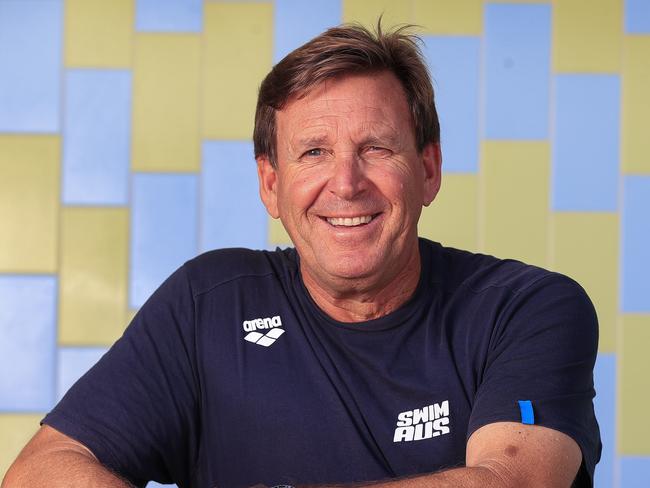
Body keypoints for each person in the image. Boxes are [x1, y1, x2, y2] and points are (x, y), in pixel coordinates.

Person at [3, 23, 600, 488]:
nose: (346, 183)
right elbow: (42, 470)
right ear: (270, 184)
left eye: (376, 147)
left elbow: (512, 480)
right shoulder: (206, 304)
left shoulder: (525, 309)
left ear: (428, 169)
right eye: (313, 152)